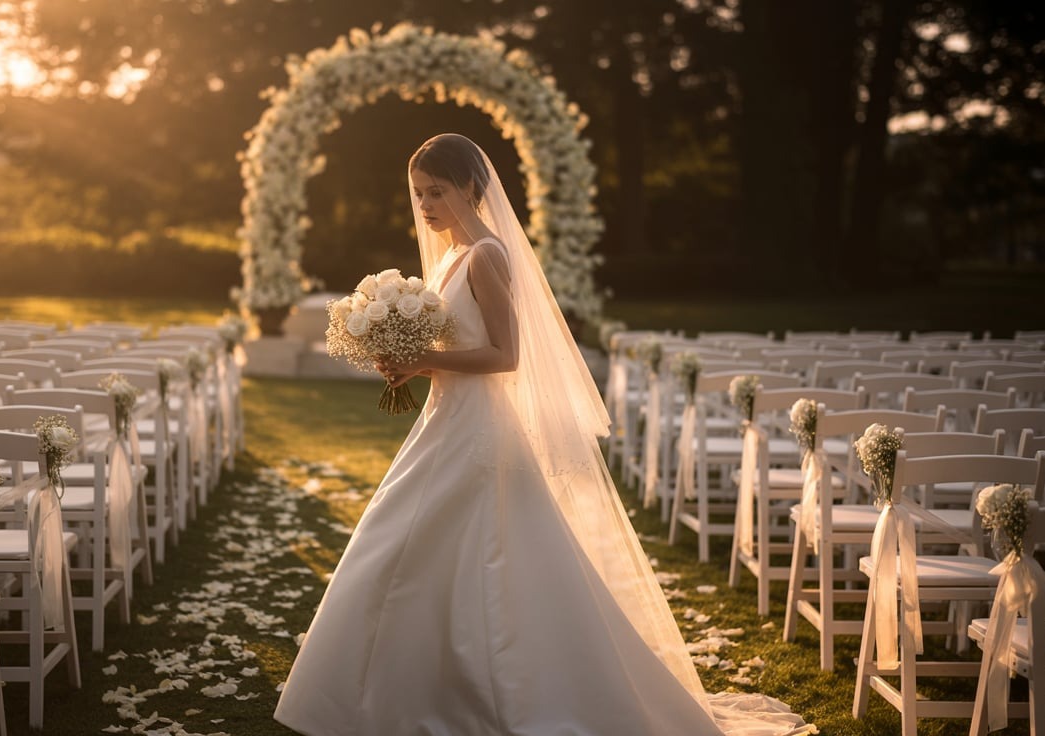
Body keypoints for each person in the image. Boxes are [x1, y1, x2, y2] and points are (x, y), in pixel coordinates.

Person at [274, 133, 813, 735]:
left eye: (438, 191)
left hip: (477, 430)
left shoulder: (486, 256)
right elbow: (462, 347)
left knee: (428, 546)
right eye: (419, 193)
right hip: (446, 421)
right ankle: (408, 691)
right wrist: (414, 361)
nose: (425, 205)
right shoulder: (450, 257)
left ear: (473, 188)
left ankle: (461, 695)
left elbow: (505, 357)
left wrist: (428, 356)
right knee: (408, 547)